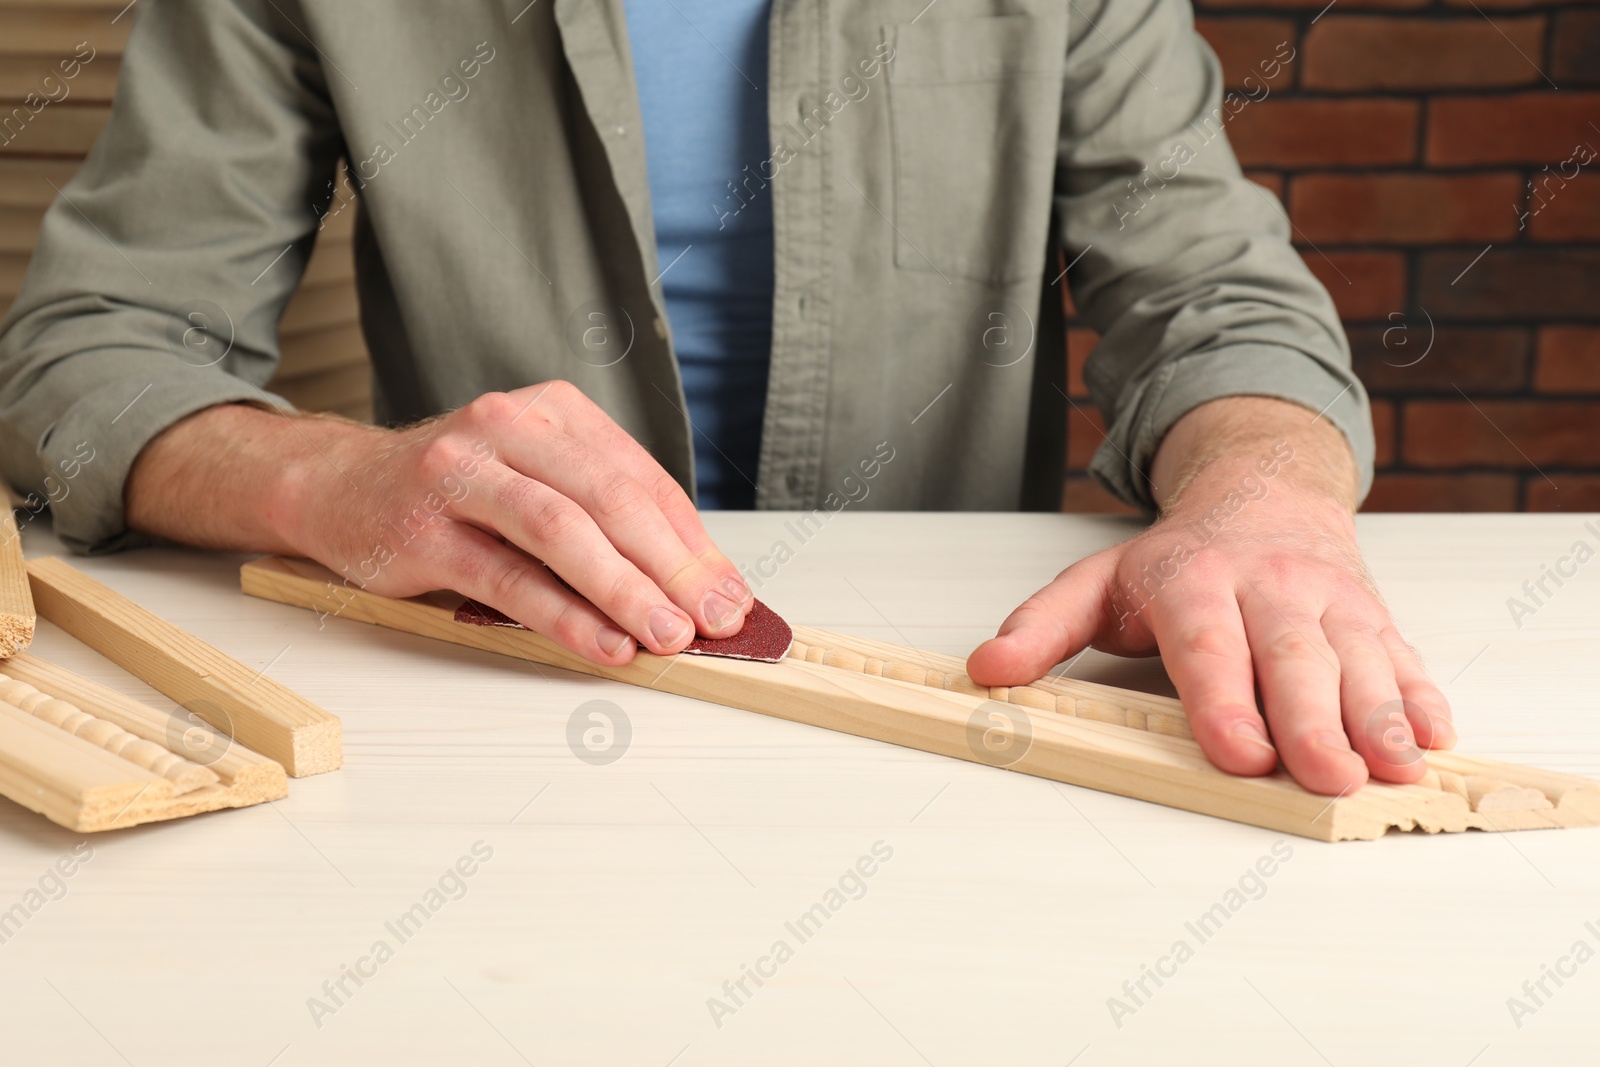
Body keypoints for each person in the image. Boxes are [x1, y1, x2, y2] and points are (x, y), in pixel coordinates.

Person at [0, 0, 1453, 796]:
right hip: (484, 722)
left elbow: (1219, 301)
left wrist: (1262, 502)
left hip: (964, 746)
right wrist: (331, 481)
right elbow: (88, 348)